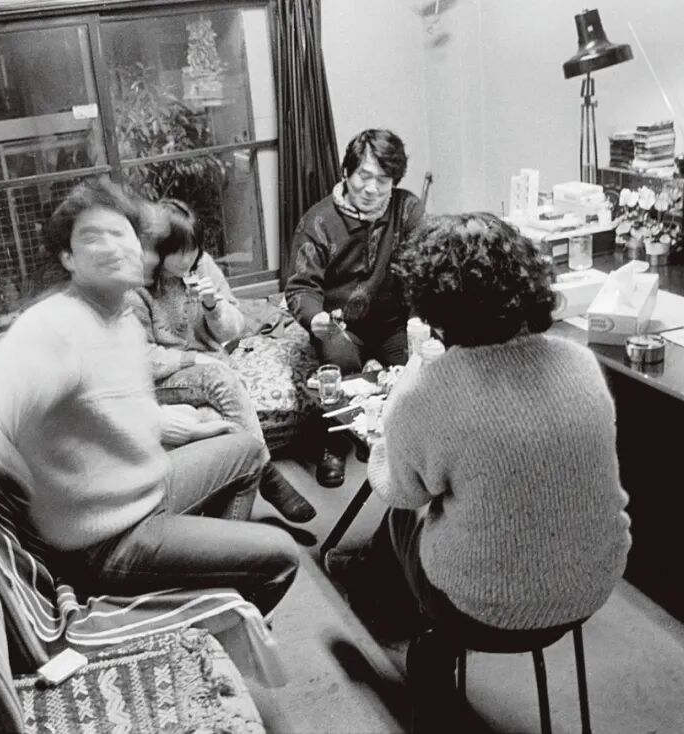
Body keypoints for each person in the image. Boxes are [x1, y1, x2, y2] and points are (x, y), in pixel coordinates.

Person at [327, 212, 632, 730]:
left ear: (432, 304)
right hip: (592, 583)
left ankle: (399, 627)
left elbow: (398, 490)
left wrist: (397, 412)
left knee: (406, 516)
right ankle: (378, 592)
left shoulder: (432, 389)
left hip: (483, 608)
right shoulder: (579, 363)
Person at [0, 178, 298, 615]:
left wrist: (185, 426)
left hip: (148, 490)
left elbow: (109, 411)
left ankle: (211, 584)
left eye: (120, 233)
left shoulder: (119, 318)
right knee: (282, 556)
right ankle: (218, 615)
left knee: (245, 448)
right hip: (109, 541)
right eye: (91, 237)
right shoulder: (55, 324)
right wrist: (32, 484)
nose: (112, 246)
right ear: (68, 258)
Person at [128, 198, 317, 523]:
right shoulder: (138, 288)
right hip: (164, 378)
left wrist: (214, 307)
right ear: (159, 250)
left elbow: (235, 329)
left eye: (193, 249)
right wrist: (194, 359)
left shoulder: (202, 266)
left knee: (220, 423)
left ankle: (228, 529)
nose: (188, 259)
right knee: (220, 379)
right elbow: (143, 358)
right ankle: (267, 473)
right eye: (179, 251)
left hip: (212, 366)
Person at [285, 128, 427, 487]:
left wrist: (420, 320)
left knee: (416, 369)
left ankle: (390, 438)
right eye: (364, 176)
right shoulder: (318, 221)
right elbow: (300, 286)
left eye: (383, 180)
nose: (372, 189)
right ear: (346, 172)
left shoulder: (408, 209)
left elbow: (425, 269)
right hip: (341, 325)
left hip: (393, 323)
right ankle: (334, 445)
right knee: (338, 364)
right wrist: (315, 318)